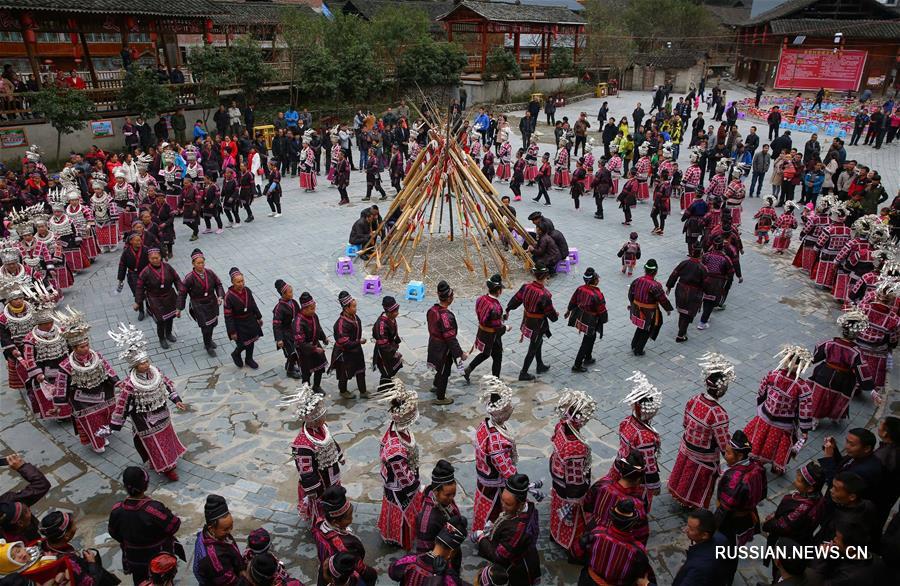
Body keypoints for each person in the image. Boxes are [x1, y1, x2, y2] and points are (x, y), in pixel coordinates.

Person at [108, 323, 188, 482]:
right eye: (142, 363)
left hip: (162, 414)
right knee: (154, 442)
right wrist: (114, 424)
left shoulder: (155, 372)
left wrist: (176, 400)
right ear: (135, 366)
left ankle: (168, 460)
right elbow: (122, 404)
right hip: (144, 420)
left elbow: (167, 385)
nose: (146, 365)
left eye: (146, 361)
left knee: (166, 438)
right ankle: (167, 468)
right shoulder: (130, 384)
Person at [669, 353, 734, 508]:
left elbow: (685, 423)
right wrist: (730, 457)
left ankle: (680, 495)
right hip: (704, 455)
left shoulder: (694, 399)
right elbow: (723, 441)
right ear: (721, 390)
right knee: (697, 480)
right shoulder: (718, 413)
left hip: (687, 444)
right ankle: (691, 503)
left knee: (685, 474)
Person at [51, 308, 119, 454]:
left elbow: (108, 370)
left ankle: (104, 434)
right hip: (82, 400)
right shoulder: (66, 365)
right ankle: (97, 444)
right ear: (74, 348)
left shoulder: (96, 356)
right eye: (82, 347)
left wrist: (117, 382)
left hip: (102, 393)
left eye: (87, 345)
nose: (86, 348)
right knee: (92, 420)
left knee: (106, 414)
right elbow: (61, 386)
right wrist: (59, 405)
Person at [108, 466, 184, 585]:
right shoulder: (153, 509)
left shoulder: (117, 510)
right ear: (146, 485)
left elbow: (113, 532)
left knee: (140, 580)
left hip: (134, 559)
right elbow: (174, 526)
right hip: (159, 559)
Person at [715, 430, 768, 585]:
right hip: (747, 516)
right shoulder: (756, 466)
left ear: (739, 456)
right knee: (733, 551)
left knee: (726, 548)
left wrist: (713, 526)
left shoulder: (735, 479)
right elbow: (763, 492)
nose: (725, 455)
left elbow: (725, 508)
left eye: (728, 453)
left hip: (730, 522)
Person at [548, 389, 596, 554]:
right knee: (571, 518)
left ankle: (554, 533)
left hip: (557, 479)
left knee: (557, 507)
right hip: (569, 489)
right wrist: (577, 497)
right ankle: (568, 543)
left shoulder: (560, 426)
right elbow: (575, 479)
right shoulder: (577, 447)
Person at [808, 307, 873, 427]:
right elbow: (862, 370)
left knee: (819, 396)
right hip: (843, 379)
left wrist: (804, 362)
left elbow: (815, 357)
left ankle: (814, 418)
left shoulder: (829, 343)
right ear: (857, 333)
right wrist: (871, 389)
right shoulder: (856, 352)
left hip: (824, 374)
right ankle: (834, 416)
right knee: (837, 397)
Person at [288, 385, 344, 525]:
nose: (324, 417)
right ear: (312, 420)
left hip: (331, 471)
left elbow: (330, 441)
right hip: (320, 481)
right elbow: (306, 471)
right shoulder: (302, 444)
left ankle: (336, 517)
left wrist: (339, 454)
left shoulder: (323, 428)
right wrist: (314, 489)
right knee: (323, 502)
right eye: (320, 416)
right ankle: (322, 523)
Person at [377, 379, 422, 550]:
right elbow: (403, 476)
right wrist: (415, 485)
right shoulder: (395, 449)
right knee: (403, 508)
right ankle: (399, 536)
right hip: (399, 485)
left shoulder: (398, 429)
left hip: (405, 478)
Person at [473, 473, 541, 585]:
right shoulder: (528, 507)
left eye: (508, 504)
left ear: (520, 504)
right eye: (502, 500)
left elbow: (498, 556)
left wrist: (481, 538)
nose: (503, 505)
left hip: (517, 568)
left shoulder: (517, 529)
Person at [472, 377, 518, 533]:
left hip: (484, 477)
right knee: (494, 512)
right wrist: (519, 483)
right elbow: (507, 471)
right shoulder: (497, 441)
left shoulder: (485, 425)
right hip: (495, 484)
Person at [572, 499, 653, 586]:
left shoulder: (595, 534)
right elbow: (640, 577)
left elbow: (576, 552)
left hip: (588, 582)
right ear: (632, 523)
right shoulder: (637, 550)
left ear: (612, 518)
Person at [311, 486, 377, 586]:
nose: (351, 519)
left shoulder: (318, 524)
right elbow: (361, 568)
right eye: (349, 516)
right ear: (335, 522)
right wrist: (371, 573)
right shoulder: (344, 546)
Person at [505, 265, 557, 381]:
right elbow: (550, 313)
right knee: (533, 347)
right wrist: (555, 316)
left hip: (527, 320)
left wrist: (508, 309)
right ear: (546, 276)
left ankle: (540, 365)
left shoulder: (525, 287)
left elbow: (516, 300)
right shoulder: (545, 295)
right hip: (538, 324)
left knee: (538, 342)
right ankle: (523, 373)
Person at [388, 516, 467, 585]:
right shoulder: (449, 579)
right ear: (452, 552)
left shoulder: (410, 560)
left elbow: (392, 572)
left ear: (435, 541)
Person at [176, 249, 223, 356]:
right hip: (199, 305)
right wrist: (179, 308)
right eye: (198, 263)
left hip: (211, 302)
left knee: (212, 324)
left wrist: (220, 296)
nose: (201, 265)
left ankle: (209, 339)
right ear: (193, 263)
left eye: (202, 262)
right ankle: (208, 345)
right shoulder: (189, 278)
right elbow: (182, 293)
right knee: (205, 327)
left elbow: (218, 284)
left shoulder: (210, 273)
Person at [424, 281, 465, 405]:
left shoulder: (432, 310)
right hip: (443, 349)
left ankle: (436, 385)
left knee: (438, 368)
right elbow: (451, 339)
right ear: (449, 298)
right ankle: (440, 397)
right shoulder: (446, 317)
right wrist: (460, 353)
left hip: (433, 345)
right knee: (444, 372)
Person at [194, 494, 245, 585]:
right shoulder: (214, 560)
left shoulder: (210, 534)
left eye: (231, 526)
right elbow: (231, 583)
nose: (230, 531)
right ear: (211, 528)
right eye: (225, 529)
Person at [465, 274, 506, 381]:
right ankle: (496, 383)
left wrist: (501, 318)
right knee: (497, 358)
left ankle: (468, 369)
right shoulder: (496, 307)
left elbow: (485, 318)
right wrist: (506, 327)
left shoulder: (480, 299)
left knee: (486, 353)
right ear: (498, 291)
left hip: (482, 331)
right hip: (492, 335)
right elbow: (497, 326)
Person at [627, 259, 672, 356]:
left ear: (645, 270)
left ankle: (634, 344)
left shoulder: (637, 280)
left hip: (636, 308)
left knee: (641, 326)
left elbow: (631, 294)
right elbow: (662, 299)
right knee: (647, 329)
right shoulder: (656, 285)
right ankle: (638, 350)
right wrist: (668, 309)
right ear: (655, 272)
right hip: (649, 312)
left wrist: (632, 304)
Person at [565, 267, 607, 372]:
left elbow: (573, 300)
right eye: (597, 278)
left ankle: (588, 357)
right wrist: (604, 320)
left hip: (581, 316)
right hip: (591, 319)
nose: (598, 280)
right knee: (587, 340)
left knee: (591, 337)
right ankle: (577, 365)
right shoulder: (597, 295)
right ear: (594, 280)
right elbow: (602, 310)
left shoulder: (580, 289)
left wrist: (568, 310)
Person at [329, 291, 367, 399]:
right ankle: (343, 391)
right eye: (354, 307)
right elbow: (345, 342)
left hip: (356, 350)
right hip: (344, 353)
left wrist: (357, 343)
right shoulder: (340, 325)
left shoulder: (355, 317)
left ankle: (363, 391)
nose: (356, 309)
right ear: (346, 308)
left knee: (361, 370)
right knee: (344, 373)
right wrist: (358, 342)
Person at [223, 267, 263, 370]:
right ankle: (236, 354)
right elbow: (228, 316)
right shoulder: (228, 297)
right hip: (238, 323)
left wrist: (258, 317)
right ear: (232, 282)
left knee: (251, 341)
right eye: (238, 282)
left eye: (242, 281)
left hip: (250, 319)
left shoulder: (247, 291)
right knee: (242, 343)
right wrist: (232, 332)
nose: (241, 284)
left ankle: (249, 359)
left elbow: (253, 304)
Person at [666, 245, 707, 342]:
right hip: (694, 294)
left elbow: (674, 275)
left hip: (681, 290)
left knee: (683, 312)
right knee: (687, 314)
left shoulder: (684, 263)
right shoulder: (702, 268)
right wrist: (707, 293)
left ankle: (682, 331)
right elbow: (706, 283)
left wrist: (669, 287)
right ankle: (680, 335)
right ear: (701, 254)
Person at [292, 292, 329, 392]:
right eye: (312, 308)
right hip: (305, 352)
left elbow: (318, 328)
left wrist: (324, 338)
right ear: (304, 309)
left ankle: (316, 386)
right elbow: (300, 342)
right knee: (306, 373)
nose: (314, 310)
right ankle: (306, 391)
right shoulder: (298, 323)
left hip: (316, 345)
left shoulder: (314, 316)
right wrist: (314, 349)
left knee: (319, 369)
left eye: (314, 308)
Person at [372, 296, 402, 390]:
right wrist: (394, 352)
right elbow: (383, 344)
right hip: (383, 352)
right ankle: (383, 389)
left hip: (390, 347)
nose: (397, 313)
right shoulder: (381, 325)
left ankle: (387, 386)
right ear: (388, 312)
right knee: (386, 371)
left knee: (391, 370)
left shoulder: (391, 318)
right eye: (395, 312)